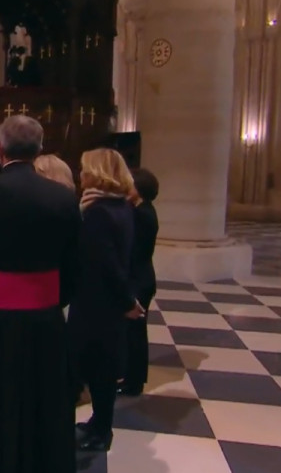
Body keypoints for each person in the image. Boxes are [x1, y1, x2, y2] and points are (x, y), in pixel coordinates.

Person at [0, 115, 80, 473]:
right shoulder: (63, 197)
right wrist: (50, 297)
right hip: (44, 318)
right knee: (43, 401)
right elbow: (74, 264)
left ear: (0, 149)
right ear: (39, 149)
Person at [69, 148, 143, 452]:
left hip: (95, 303)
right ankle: (100, 423)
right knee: (104, 367)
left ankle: (101, 431)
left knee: (95, 367)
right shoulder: (121, 206)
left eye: (84, 169)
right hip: (107, 302)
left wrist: (127, 300)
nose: (80, 175)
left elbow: (106, 263)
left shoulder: (98, 212)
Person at [119, 168, 160, 396]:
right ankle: (130, 377)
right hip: (141, 278)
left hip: (139, 280)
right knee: (133, 332)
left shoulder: (141, 214)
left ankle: (133, 382)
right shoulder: (142, 210)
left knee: (135, 333)